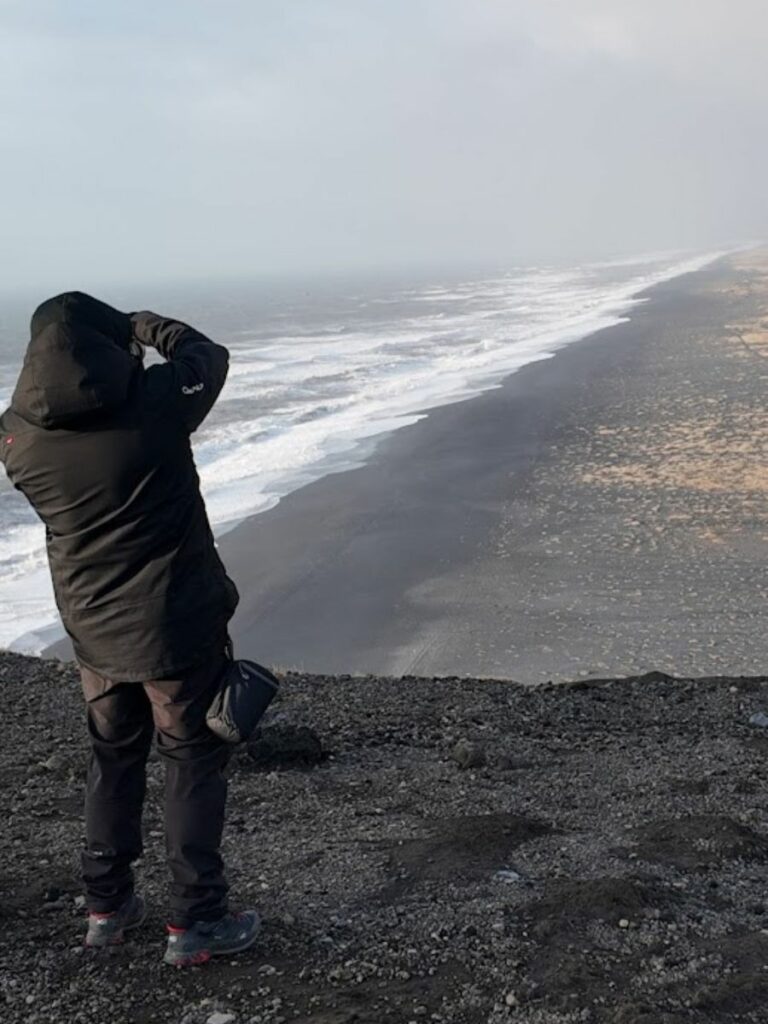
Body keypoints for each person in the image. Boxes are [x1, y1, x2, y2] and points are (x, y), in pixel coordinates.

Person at [0, 291, 260, 966]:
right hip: (174, 627)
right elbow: (210, 356)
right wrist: (144, 326)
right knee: (190, 762)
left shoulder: (16, 439)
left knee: (113, 760)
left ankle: (106, 908)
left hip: (93, 633)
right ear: (109, 345)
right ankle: (196, 921)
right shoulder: (156, 402)